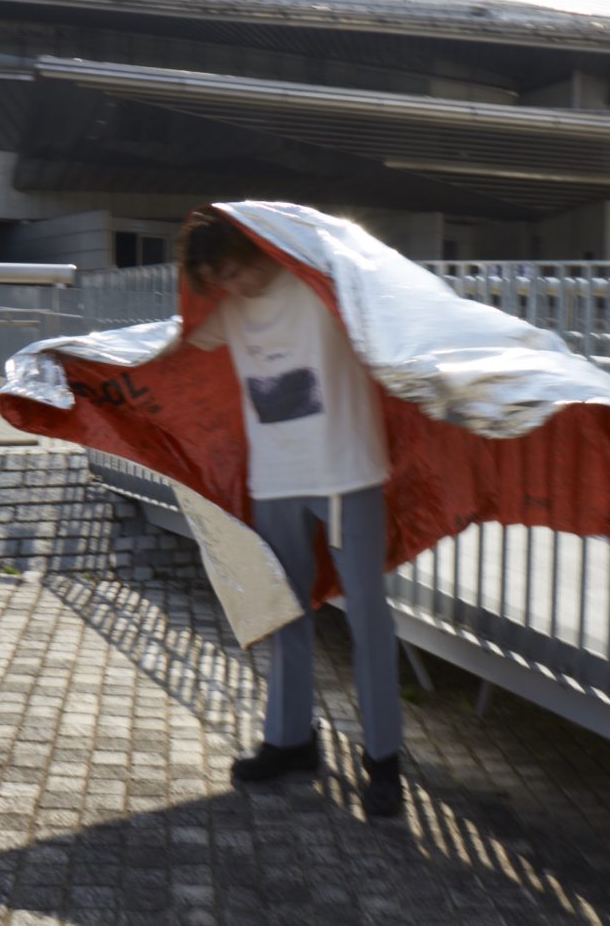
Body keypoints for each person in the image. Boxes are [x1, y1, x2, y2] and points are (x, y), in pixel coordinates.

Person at [175, 207, 403, 817]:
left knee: (368, 618)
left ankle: (384, 760)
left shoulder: (321, 284)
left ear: (256, 250)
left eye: (232, 271)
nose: (231, 286)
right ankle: (290, 740)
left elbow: (383, 289)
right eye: (216, 279)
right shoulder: (229, 307)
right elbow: (174, 344)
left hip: (346, 472)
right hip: (275, 478)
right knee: (285, 612)